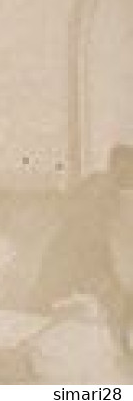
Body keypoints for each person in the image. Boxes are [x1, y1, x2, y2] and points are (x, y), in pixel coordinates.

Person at [33, 144, 133, 357]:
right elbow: (91, 249)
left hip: (85, 273)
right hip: (70, 279)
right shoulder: (98, 194)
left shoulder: (104, 189)